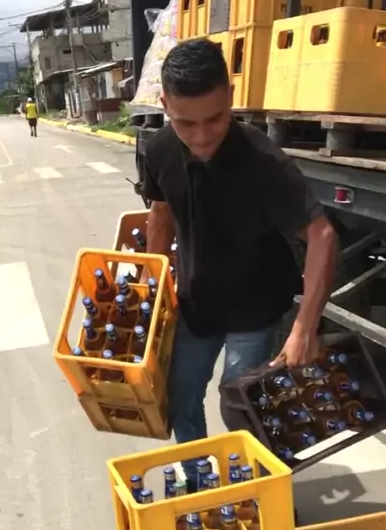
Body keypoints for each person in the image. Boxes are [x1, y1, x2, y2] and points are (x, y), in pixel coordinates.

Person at [142, 38, 338, 492]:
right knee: (180, 399)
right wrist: (155, 287)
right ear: (164, 104)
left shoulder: (263, 160)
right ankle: (203, 489)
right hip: (197, 303)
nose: (202, 136)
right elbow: (160, 215)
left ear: (230, 95)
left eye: (215, 118)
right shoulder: (159, 151)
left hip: (255, 306)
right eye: (186, 123)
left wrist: (304, 328)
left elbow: (322, 235)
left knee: (240, 406)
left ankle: (253, 493)